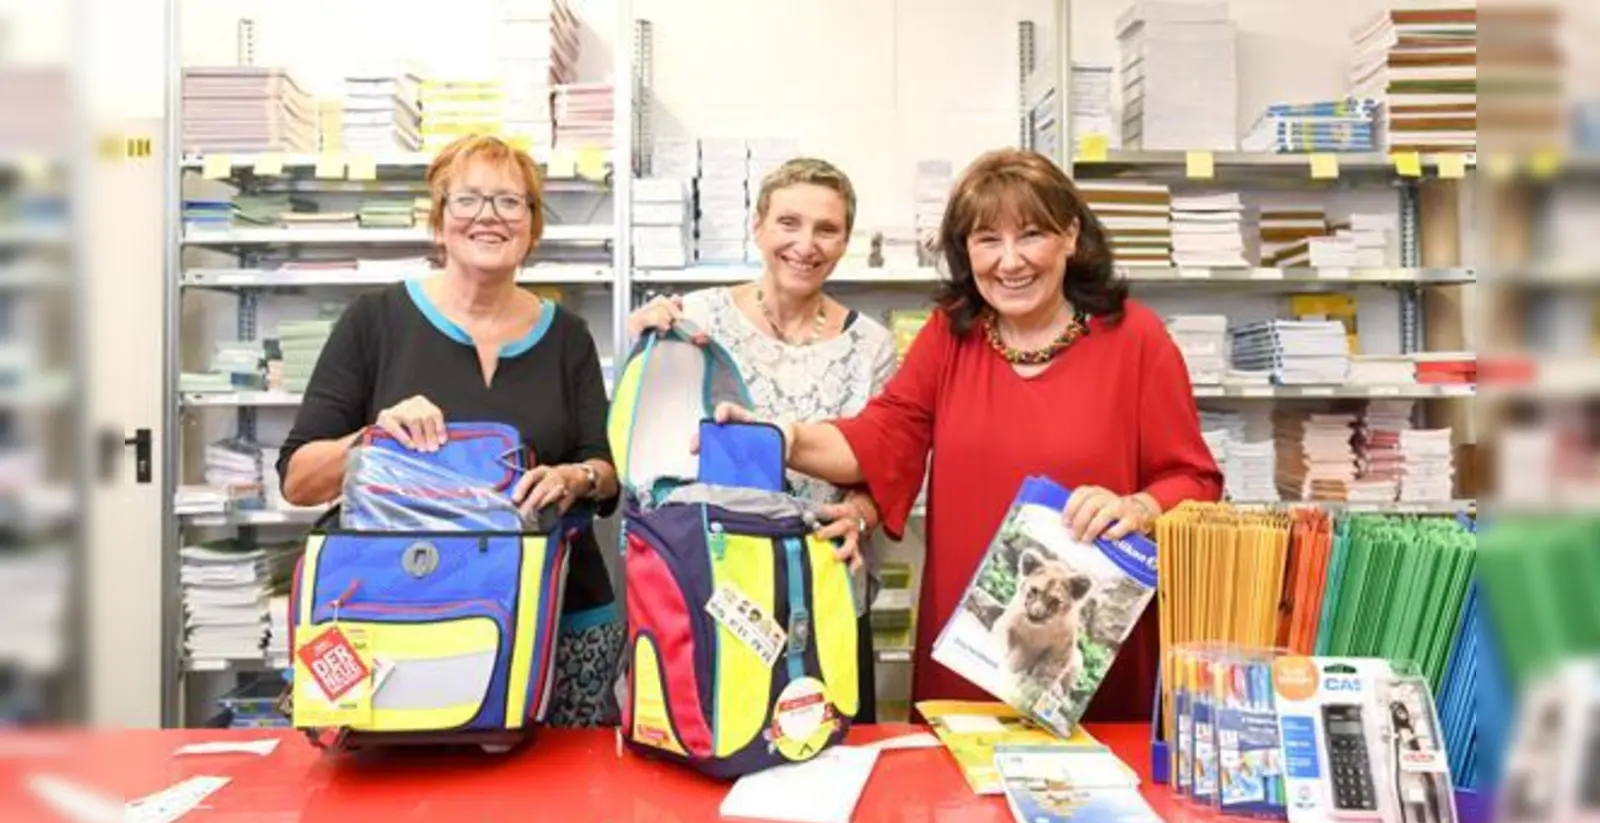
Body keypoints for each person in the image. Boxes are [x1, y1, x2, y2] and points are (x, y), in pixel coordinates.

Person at [713, 148, 1223, 722]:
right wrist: (786, 436)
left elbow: (1195, 478)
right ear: (965, 251)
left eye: (1031, 235)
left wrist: (1139, 506)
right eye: (987, 240)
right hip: (971, 647)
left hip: (1081, 660)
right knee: (953, 803)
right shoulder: (952, 334)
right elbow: (884, 434)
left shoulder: (1136, 340)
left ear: (1071, 237)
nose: (1010, 262)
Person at [276, 134, 622, 727]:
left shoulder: (567, 336)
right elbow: (298, 480)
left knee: (563, 803)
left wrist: (575, 477)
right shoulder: (375, 323)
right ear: (439, 222)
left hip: (560, 622)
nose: (489, 216)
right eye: (468, 200)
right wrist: (373, 441)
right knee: (411, 803)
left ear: (532, 228)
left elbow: (606, 471)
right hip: (404, 619)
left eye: (511, 203)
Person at [627, 157, 897, 722]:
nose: (806, 244)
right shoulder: (696, 319)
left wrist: (861, 517)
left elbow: (881, 479)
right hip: (717, 582)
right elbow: (651, 457)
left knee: (830, 749)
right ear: (758, 226)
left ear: (846, 240)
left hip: (823, 584)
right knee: (721, 738)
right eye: (789, 223)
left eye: (827, 229)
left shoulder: (870, 345)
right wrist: (646, 352)